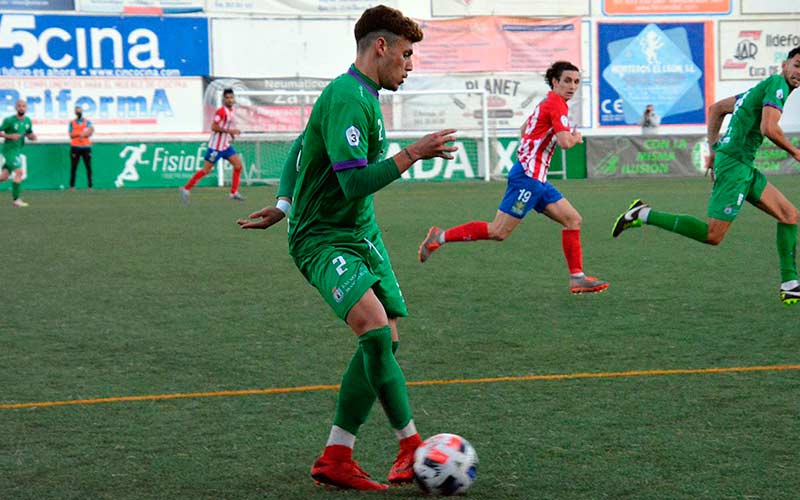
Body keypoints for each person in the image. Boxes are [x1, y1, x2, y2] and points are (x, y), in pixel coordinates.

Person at [239, 5, 457, 490]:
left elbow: (301, 144)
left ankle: (338, 455)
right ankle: (410, 449)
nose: (411, 63)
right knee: (377, 334)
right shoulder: (347, 96)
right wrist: (412, 153)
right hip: (322, 236)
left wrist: (282, 200)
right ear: (380, 47)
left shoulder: (361, 95)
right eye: (406, 53)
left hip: (361, 234)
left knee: (388, 339)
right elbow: (355, 183)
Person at [612, 46, 800, 305]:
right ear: (784, 65)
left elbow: (716, 108)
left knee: (789, 215)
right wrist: (795, 151)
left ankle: (790, 284)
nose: (799, 72)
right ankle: (642, 213)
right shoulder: (777, 84)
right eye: (797, 64)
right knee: (713, 235)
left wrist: (714, 150)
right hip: (735, 166)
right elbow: (768, 127)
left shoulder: (760, 89)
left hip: (739, 163)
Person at [417, 61, 609, 295]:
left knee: (573, 219)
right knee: (498, 231)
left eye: (576, 82)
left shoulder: (548, 103)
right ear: (555, 82)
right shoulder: (556, 105)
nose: (572, 86)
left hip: (536, 180)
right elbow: (565, 143)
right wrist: (576, 137)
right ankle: (440, 236)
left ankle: (577, 277)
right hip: (528, 179)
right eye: (567, 81)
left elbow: (524, 128)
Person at [180, 88, 245, 202]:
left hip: (225, 146)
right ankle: (186, 188)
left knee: (238, 165)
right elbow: (214, 127)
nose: (230, 100)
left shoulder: (231, 111)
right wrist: (230, 132)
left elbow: (225, 126)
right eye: (227, 98)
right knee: (206, 170)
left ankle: (234, 192)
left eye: (231, 97)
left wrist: (231, 135)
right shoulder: (221, 111)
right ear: (223, 99)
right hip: (215, 148)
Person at [0, 99, 37, 207]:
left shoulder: (27, 121)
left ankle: (16, 200)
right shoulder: (9, 120)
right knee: (19, 172)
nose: (21, 108)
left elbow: (29, 133)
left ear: (26, 108)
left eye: (24, 106)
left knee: (4, 177)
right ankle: (16, 200)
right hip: (9, 151)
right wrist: (10, 136)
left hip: (17, 151)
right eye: (19, 106)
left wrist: (32, 137)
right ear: (16, 108)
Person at [68, 105, 94, 191]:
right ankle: (72, 186)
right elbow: (71, 135)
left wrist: (84, 134)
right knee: (74, 167)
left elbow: (91, 131)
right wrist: (79, 134)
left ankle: (90, 186)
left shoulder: (87, 122)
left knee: (88, 167)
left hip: (86, 147)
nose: (78, 112)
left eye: (79, 111)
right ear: (75, 113)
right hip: (75, 147)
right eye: (77, 111)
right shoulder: (72, 123)